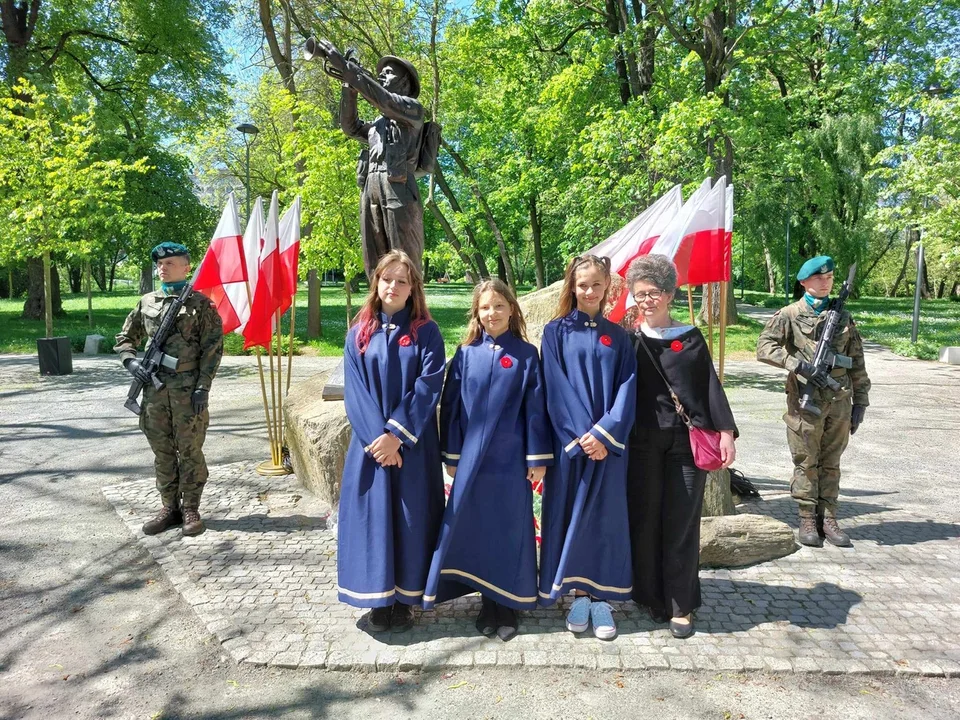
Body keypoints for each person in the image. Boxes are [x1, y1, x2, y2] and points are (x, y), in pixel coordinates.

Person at [422, 280, 552, 641]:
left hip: (510, 460)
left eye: (498, 306)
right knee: (476, 528)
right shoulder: (465, 354)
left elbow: (536, 409)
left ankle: (507, 602)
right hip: (471, 461)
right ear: (476, 314)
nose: (491, 313)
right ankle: (485, 600)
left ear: (512, 309)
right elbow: (450, 409)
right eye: (484, 308)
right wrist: (453, 455)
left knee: (509, 529)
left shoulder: (527, 355)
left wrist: (537, 457)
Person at [626, 254, 737, 639]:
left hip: (687, 446)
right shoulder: (629, 340)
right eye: (640, 294)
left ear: (670, 293)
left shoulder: (690, 337)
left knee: (682, 524)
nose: (647, 300)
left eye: (654, 293)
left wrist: (725, 431)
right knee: (645, 520)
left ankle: (681, 604)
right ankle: (649, 594)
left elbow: (710, 387)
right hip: (641, 444)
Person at [339, 250, 446, 633]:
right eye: (387, 279)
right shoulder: (358, 333)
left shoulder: (426, 332)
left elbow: (428, 386)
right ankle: (377, 599)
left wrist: (396, 436)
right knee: (374, 521)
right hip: (371, 451)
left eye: (402, 280)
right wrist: (379, 441)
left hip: (412, 448)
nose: (393, 286)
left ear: (413, 287)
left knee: (409, 519)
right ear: (377, 283)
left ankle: (405, 600)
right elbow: (355, 392)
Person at [538, 255, 637, 640]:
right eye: (583, 285)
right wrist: (583, 436)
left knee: (605, 520)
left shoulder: (620, 336)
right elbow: (554, 386)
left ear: (608, 286)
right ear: (572, 287)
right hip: (572, 447)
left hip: (608, 448)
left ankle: (601, 598)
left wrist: (606, 433)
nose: (590, 291)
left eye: (597, 284)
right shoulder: (555, 332)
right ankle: (576, 594)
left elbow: (628, 388)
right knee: (570, 516)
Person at [756, 255, 871, 548]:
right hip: (805, 402)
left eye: (830, 278)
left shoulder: (842, 314)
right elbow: (764, 347)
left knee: (831, 462)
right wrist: (798, 365)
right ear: (804, 282)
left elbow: (856, 360)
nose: (826, 283)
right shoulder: (790, 314)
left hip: (839, 400)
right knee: (807, 461)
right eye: (819, 278)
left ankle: (828, 517)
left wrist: (861, 402)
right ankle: (807, 517)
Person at [114, 242, 224, 537]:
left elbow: (212, 349)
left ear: (186, 267)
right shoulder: (147, 302)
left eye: (170, 263)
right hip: (154, 390)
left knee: (189, 451)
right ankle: (168, 508)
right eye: (160, 264)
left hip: (188, 391)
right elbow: (125, 337)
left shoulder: (201, 304)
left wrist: (203, 387)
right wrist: (131, 363)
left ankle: (190, 508)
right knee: (162, 452)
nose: (163, 268)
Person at [315, 39, 426, 279]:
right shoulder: (378, 123)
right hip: (371, 185)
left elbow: (386, 101)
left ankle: (414, 310)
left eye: (388, 72)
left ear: (405, 81)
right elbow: (350, 127)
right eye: (380, 73)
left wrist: (352, 72)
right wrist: (349, 87)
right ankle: (377, 308)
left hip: (399, 186)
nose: (382, 75)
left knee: (404, 254)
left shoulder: (413, 109)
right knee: (373, 253)